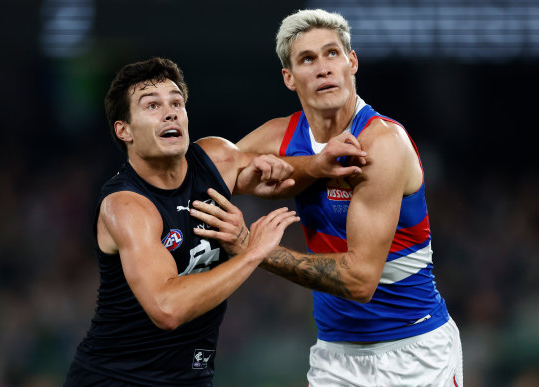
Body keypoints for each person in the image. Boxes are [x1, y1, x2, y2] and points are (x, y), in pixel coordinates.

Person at [192, 9, 463, 387]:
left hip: (414, 352)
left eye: (332, 54)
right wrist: (307, 168)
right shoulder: (282, 136)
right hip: (335, 356)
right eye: (307, 59)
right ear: (289, 78)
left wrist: (254, 249)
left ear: (352, 62)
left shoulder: (379, 145)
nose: (323, 68)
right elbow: (200, 172)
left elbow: (360, 281)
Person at [64, 57, 301, 386]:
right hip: (117, 380)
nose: (170, 111)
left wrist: (320, 163)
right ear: (124, 130)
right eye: (152, 105)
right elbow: (167, 308)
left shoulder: (213, 160)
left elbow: (281, 161)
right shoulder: (127, 205)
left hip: (190, 378)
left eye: (176, 102)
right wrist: (251, 253)